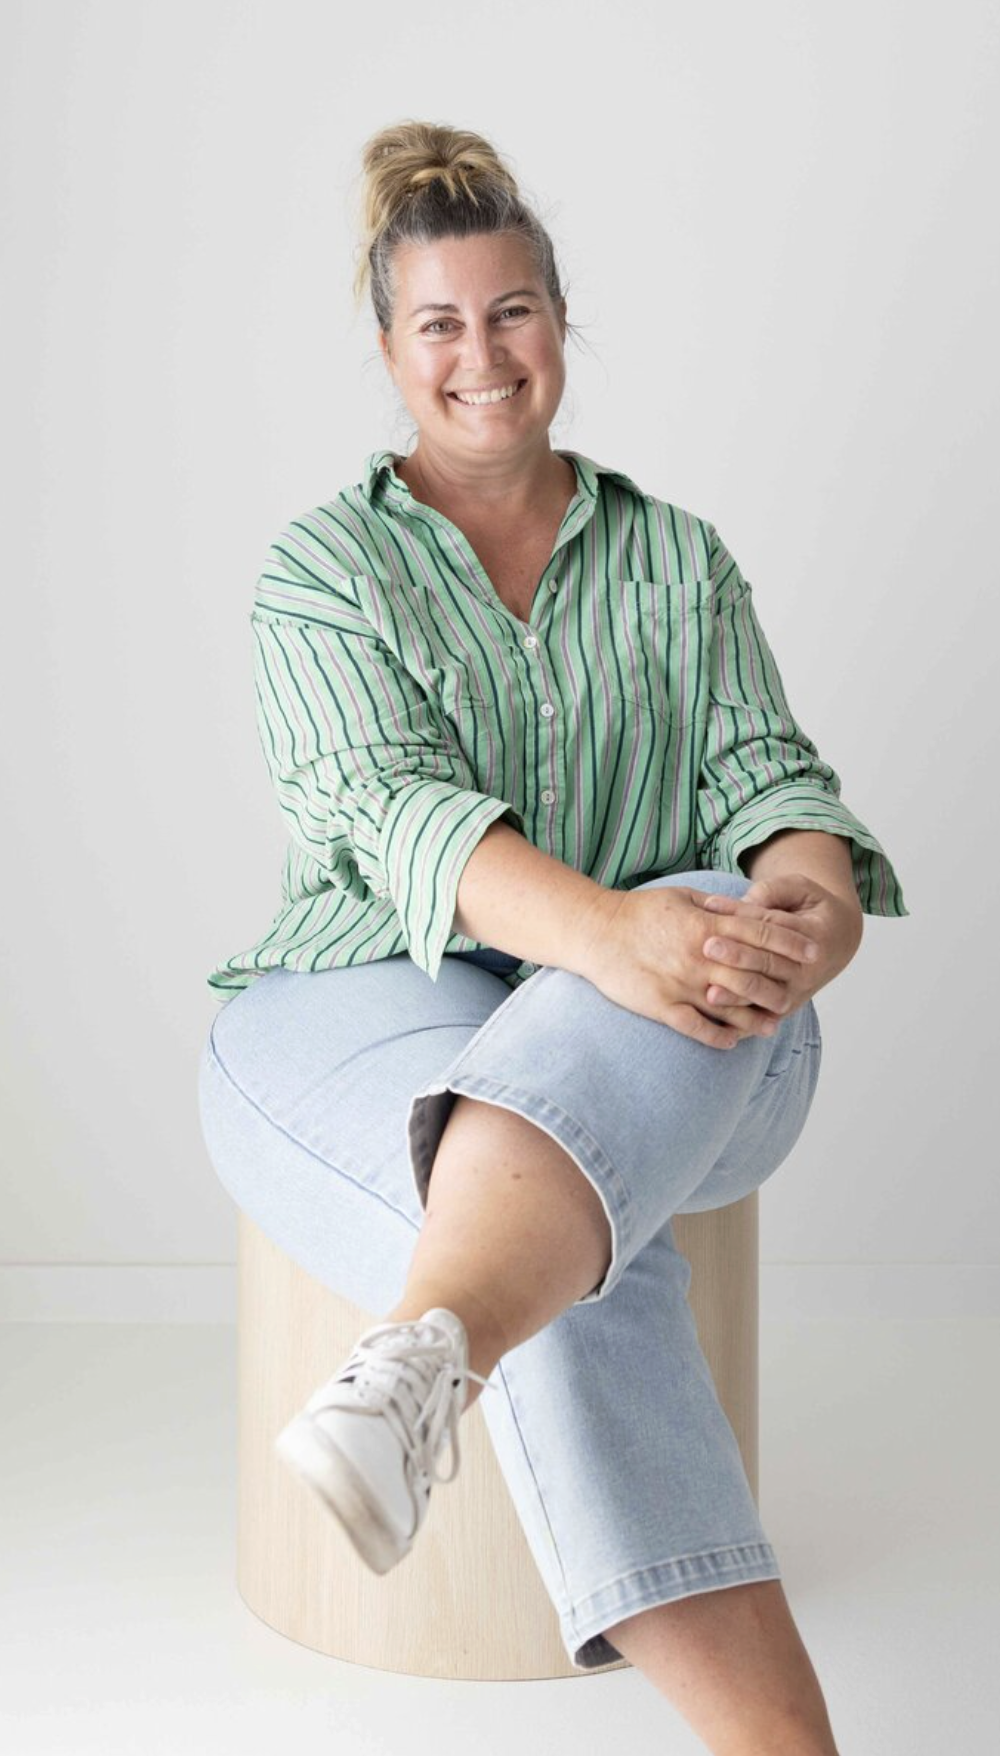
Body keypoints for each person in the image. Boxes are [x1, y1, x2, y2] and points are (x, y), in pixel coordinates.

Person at [197, 119, 908, 1753]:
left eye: (512, 311)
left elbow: (777, 785)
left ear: (561, 322)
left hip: (682, 1036)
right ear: (391, 348)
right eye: (440, 323)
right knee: (573, 1223)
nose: (482, 355)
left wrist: (807, 915)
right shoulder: (323, 569)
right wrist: (608, 934)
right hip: (355, 995)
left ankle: (424, 1362)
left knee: (690, 943)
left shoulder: (677, 557)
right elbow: (392, 815)